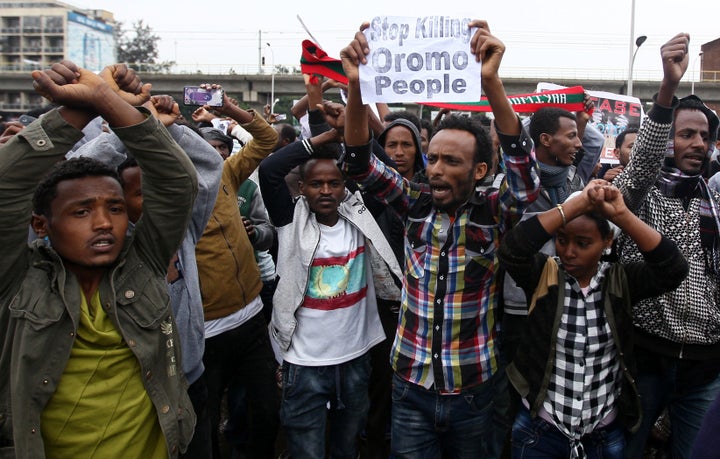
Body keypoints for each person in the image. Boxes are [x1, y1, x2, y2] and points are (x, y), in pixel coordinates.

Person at [340, 20, 540, 457]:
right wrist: (356, 86)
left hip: (472, 389)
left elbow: (525, 180)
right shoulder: (414, 202)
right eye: (431, 159)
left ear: (480, 172)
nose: (434, 170)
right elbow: (358, 164)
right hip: (409, 385)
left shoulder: (494, 212)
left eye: (451, 161)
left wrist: (491, 83)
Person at [0, 61, 197, 458]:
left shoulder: (144, 260)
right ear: (41, 224)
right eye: (81, 212)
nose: (104, 223)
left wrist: (103, 98)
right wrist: (79, 109)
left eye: (115, 207)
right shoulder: (18, 278)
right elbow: (6, 185)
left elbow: (178, 182)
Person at [68, 95, 224, 459]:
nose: (158, 201)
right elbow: (74, 170)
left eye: (163, 190)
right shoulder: (98, 250)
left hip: (190, 380)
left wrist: (167, 126)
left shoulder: (183, 230)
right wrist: (132, 127)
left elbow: (208, 165)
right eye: (140, 193)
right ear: (116, 201)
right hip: (129, 395)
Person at [498, 181, 688, 458]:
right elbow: (512, 250)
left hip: (602, 436)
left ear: (607, 241)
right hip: (540, 431)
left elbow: (673, 268)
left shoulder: (621, 280)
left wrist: (621, 215)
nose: (569, 251)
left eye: (583, 243)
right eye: (562, 240)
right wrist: (576, 205)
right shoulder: (544, 274)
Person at [259, 114, 403, 458]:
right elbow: (270, 170)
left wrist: (358, 135)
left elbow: (390, 177)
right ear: (302, 189)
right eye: (316, 184)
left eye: (334, 183)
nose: (326, 191)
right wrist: (325, 139)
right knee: (307, 450)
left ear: (345, 186)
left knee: (346, 447)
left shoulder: (361, 214)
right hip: (303, 364)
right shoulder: (288, 221)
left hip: (356, 360)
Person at [613, 33, 720, 459]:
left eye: (705, 135)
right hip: (647, 358)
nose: (698, 143)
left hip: (705, 365)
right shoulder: (641, 195)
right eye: (687, 134)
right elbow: (640, 165)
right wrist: (667, 90)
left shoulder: (715, 199)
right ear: (667, 142)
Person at [193, 85, 280, 459]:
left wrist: (227, 107)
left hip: (252, 317)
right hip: (205, 330)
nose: (213, 160)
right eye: (202, 155)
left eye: (219, 153)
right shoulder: (169, 195)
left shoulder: (229, 175)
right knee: (204, 419)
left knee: (267, 410)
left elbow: (267, 138)